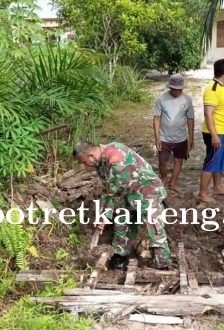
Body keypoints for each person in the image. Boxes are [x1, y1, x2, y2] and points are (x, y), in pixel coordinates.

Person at [73, 141, 171, 270]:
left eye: (85, 162)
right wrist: (103, 215)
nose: (86, 166)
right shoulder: (100, 162)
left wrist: (103, 217)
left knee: (155, 229)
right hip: (130, 193)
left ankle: (162, 265)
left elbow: (111, 193)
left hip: (149, 192)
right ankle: (120, 257)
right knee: (123, 223)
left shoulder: (115, 159)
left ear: (91, 155)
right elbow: (107, 190)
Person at [197, 59, 224, 204]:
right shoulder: (212, 88)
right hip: (215, 132)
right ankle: (203, 193)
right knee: (211, 161)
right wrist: (214, 136)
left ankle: (218, 187)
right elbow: (208, 114)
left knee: (219, 161)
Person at [153, 73, 195, 193]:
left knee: (179, 160)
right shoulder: (161, 99)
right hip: (164, 137)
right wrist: (157, 137)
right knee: (162, 161)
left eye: (179, 90)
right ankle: (165, 179)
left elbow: (190, 119)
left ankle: (173, 183)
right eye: (174, 89)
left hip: (181, 138)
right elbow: (156, 118)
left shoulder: (187, 99)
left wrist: (191, 137)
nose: (177, 92)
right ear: (170, 87)